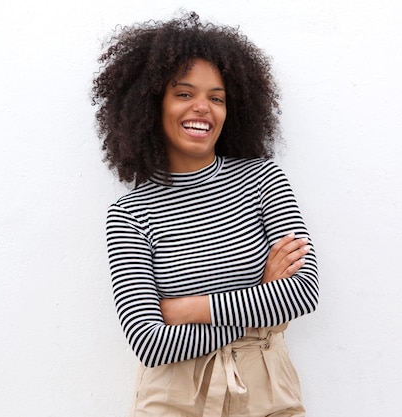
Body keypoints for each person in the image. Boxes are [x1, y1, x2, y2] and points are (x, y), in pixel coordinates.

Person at [92, 11, 319, 417]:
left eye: (216, 97)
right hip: (173, 396)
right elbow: (150, 342)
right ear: (151, 103)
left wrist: (186, 308)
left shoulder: (262, 179)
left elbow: (303, 291)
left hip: (265, 386)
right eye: (183, 93)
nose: (203, 107)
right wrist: (262, 301)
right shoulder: (128, 214)